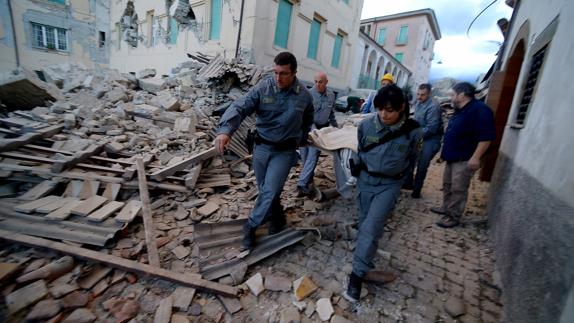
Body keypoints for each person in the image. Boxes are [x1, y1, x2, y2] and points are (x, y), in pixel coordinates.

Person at [214, 52, 314, 250]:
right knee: (265, 189)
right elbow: (240, 106)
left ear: (294, 72)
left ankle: (250, 226)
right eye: (275, 72)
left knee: (270, 190)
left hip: (284, 151)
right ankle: (277, 217)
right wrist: (226, 131)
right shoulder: (264, 87)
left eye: (284, 73)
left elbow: (308, 119)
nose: (278, 78)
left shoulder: (304, 95)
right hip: (261, 147)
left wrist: (302, 138)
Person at [343, 84, 422, 303]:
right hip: (366, 181)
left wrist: (404, 179)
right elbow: (360, 149)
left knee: (371, 226)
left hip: (389, 186)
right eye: (381, 109)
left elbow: (415, 157)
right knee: (366, 224)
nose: (384, 114)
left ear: (402, 108)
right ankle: (366, 257)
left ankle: (356, 276)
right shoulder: (366, 126)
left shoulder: (414, 131)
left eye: (390, 110)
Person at [432, 82, 495, 228]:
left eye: (453, 94)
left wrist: (476, 157)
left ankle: (453, 216)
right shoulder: (461, 109)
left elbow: (486, 137)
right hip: (452, 157)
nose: (451, 97)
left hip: (465, 159)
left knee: (458, 188)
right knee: (447, 185)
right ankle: (446, 208)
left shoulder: (480, 110)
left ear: (462, 94)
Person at [297, 72, 338, 196]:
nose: (317, 84)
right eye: (315, 81)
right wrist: (313, 129)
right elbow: (303, 114)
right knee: (305, 157)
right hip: (306, 127)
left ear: (326, 82)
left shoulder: (331, 95)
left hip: (321, 130)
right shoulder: (308, 94)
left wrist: (336, 127)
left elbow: (331, 114)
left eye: (320, 82)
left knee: (313, 156)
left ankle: (302, 184)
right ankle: (308, 183)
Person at [403, 83, 443, 198]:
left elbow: (432, 128)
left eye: (422, 95)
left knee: (422, 164)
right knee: (410, 158)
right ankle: (408, 183)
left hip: (431, 139)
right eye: (418, 94)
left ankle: (417, 190)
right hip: (420, 137)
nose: (419, 97)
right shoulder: (419, 103)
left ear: (429, 94)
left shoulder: (433, 107)